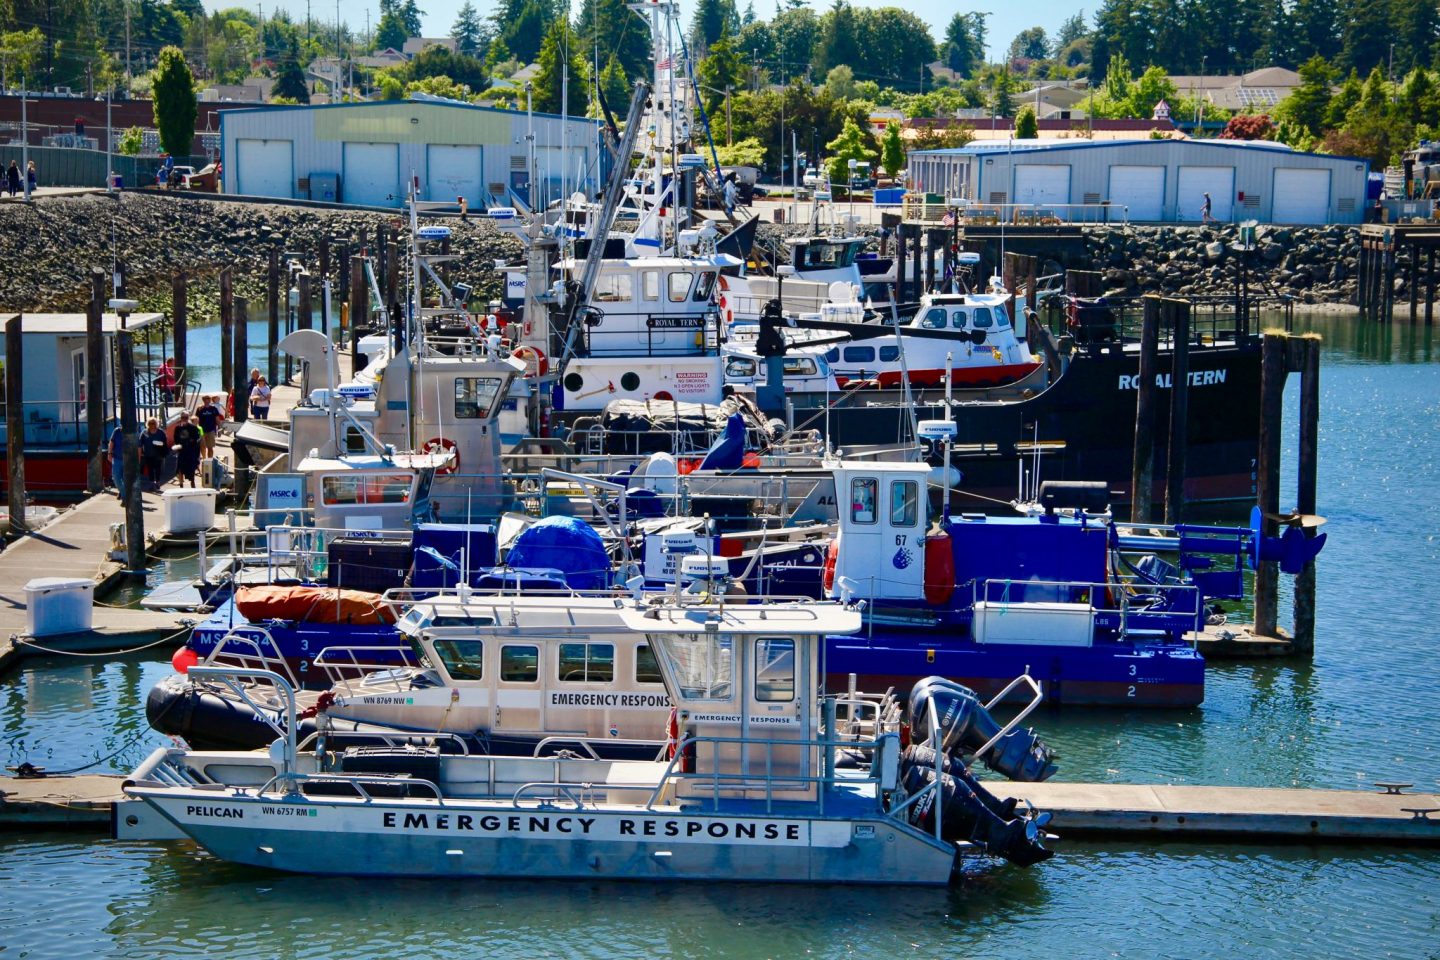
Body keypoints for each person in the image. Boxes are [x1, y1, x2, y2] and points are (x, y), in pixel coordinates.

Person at [172, 411, 202, 487]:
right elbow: (175, 439)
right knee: (180, 468)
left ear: (188, 418)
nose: (184, 419)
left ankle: (192, 482)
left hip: (190, 451)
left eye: (186, 417)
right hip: (181, 451)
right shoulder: (178, 428)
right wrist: (178, 447)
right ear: (181, 418)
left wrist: (191, 443)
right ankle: (181, 484)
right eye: (183, 417)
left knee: (191, 468)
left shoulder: (193, 427)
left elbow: (196, 439)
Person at [141, 417, 168, 491]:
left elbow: (165, 443)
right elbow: (140, 443)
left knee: (158, 469)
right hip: (148, 454)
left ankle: (158, 483)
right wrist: (140, 454)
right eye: (150, 423)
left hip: (158, 454)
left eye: (153, 423)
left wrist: (162, 447)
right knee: (150, 470)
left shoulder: (160, 432)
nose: (152, 425)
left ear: (156, 424)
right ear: (148, 424)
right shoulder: (145, 432)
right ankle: (152, 484)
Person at [196, 394, 223, 458]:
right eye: (205, 399)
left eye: (208, 398)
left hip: (211, 430)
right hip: (201, 430)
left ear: (210, 400)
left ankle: (210, 460)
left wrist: (219, 430)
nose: (207, 400)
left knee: (210, 447)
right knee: (202, 446)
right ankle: (204, 459)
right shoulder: (199, 409)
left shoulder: (213, 409)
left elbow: (218, 420)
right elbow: (196, 419)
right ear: (203, 400)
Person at [107, 424, 126, 501]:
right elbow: (111, 443)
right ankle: (122, 492)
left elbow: (138, 446)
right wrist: (109, 453)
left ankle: (124, 497)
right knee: (115, 478)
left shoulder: (132, 432)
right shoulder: (116, 431)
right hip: (117, 458)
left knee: (125, 479)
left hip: (128, 460)